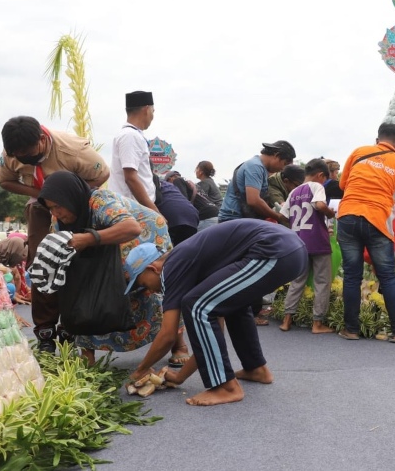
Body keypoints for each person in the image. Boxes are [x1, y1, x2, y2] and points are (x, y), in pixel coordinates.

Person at [123, 219, 308, 406]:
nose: (148, 291)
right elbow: (211, 333)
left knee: (195, 305)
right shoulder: (187, 264)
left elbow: (168, 334)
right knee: (231, 307)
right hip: (290, 249)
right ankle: (256, 368)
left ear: (152, 268)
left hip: (274, 251)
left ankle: (226, 388)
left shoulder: (172, 267)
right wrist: (180, 377)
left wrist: (141, 370)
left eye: (142, 284)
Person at [36, 171, 192, 367]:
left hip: (143, 238)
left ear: (71, 197)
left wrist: (88, 239)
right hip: (102, 249)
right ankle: (87, 358)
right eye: (50, 208)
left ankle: (179, 345)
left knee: (151, 290)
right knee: (87, 294)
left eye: (58, 206)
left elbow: (131, 228)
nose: (55, 213)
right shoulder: (58, 222)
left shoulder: (99, 200)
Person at [0, 115, 109, 352]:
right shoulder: (12, 152)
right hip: (39, 205)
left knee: (72, 262)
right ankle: (45, 333)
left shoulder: (72, 150)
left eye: (28, 153)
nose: (23, 158)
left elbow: (102, 174)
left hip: (74, 207)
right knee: (41, 265)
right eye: (19, 156)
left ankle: (71, 329)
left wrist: (69, 197)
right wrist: (41, 193)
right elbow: (5, 181)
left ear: (41, 139)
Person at [337, 123, 395, 343]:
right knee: (387, 276)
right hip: (377, 220)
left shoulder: (358, 152)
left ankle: (351, 329)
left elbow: (343, 184)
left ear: (377, 139)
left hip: (347, 216)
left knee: (352, 276)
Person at [218, 140, 296, 325]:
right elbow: (253, 200)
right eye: (283, 164)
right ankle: (247, 313)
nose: (280, 170)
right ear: (277, 156)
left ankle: (241, 311)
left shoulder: (257, 167)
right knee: (251, 265)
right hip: (236, 220)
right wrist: (278, 217)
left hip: (238, 221)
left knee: (244, 265)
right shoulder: (255, 167)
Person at [278, 159, 336, 334]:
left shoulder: (294, 192)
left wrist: (296, 225)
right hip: (317, 240)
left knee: (297, 281)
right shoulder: (317, 187)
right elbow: (319, 205)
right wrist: (330, 212)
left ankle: (287, 320)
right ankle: (317, 323)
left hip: (299, 242)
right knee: (322, 281)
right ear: (320, 175)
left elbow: (282, 216)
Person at [108, 90, 160, 212]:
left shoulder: (132, 134)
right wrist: (155, 212)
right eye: (153, 111)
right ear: (146, 109)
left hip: (137, 209)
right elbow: (131, 178)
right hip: (133, 211)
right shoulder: (130, 136)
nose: (153, 116)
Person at [156, 178, 200, 245]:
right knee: (185, 249)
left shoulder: (152, 185)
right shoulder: (171, 186)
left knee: (167, 250)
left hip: (172, 216)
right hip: (192, 215)